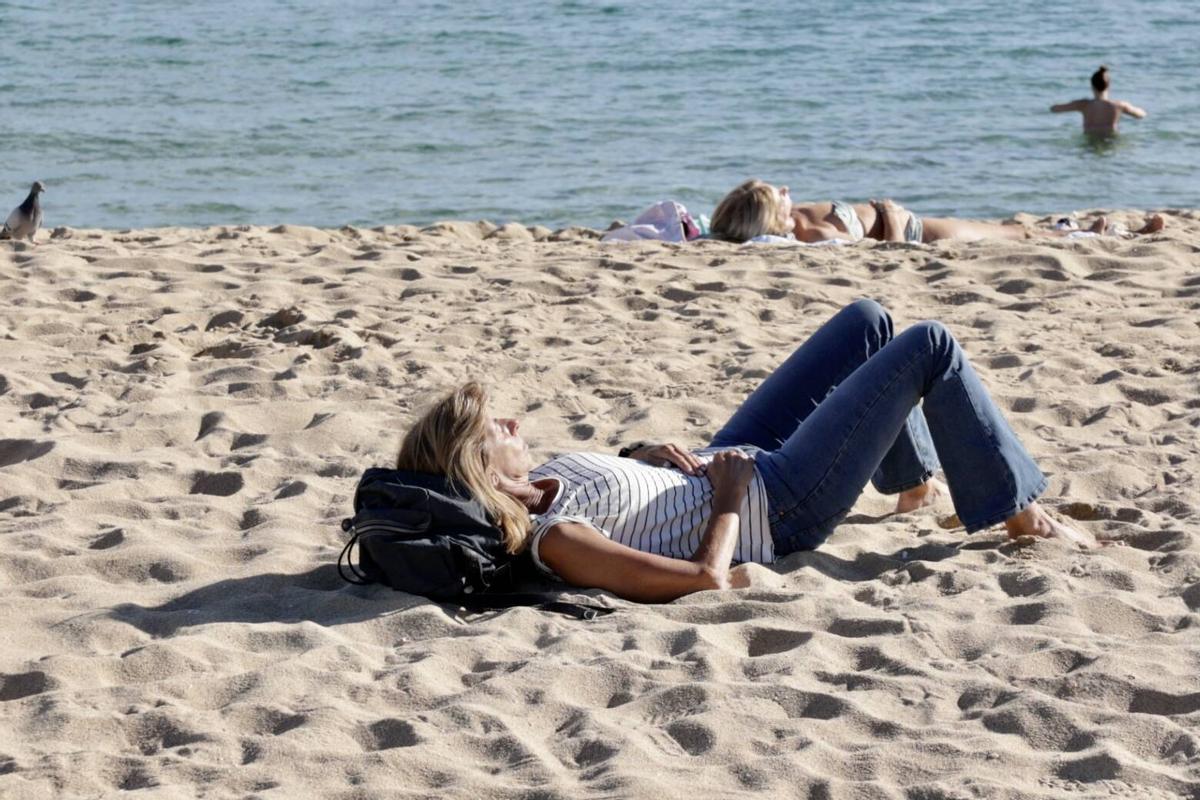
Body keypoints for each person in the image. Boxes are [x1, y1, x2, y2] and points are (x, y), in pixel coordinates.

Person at [394, 300, 1099, 604]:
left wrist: (641, 452)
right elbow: (705, 580)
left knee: (869, 322)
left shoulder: (546, 478)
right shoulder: (557, 540)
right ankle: (1018, 515)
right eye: (499, 429)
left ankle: (913, 486)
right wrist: (729, 498)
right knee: (930, 344)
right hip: (778, 503)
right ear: (476, 466)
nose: (515, 423)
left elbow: (627, 493)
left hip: (725, 457)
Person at [710, 179, 1164, 245]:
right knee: (1009, 236)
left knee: (1006, 229)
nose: (788, 188)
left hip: (905, 219)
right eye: (778, 191)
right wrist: (887, 217)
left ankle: (1081, 229)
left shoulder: (800, 221)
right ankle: (1108, 236)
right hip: (914, 232)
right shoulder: (812, 238)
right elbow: (875, 255)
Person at [1051, 65, 1146, 135]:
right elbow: (1141, 115)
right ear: (1108, 86)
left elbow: (1055, 109)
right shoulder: (1119, 105)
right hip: (1111, 141)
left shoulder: (1083, 105)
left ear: (1092, 86)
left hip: (1090, 142)